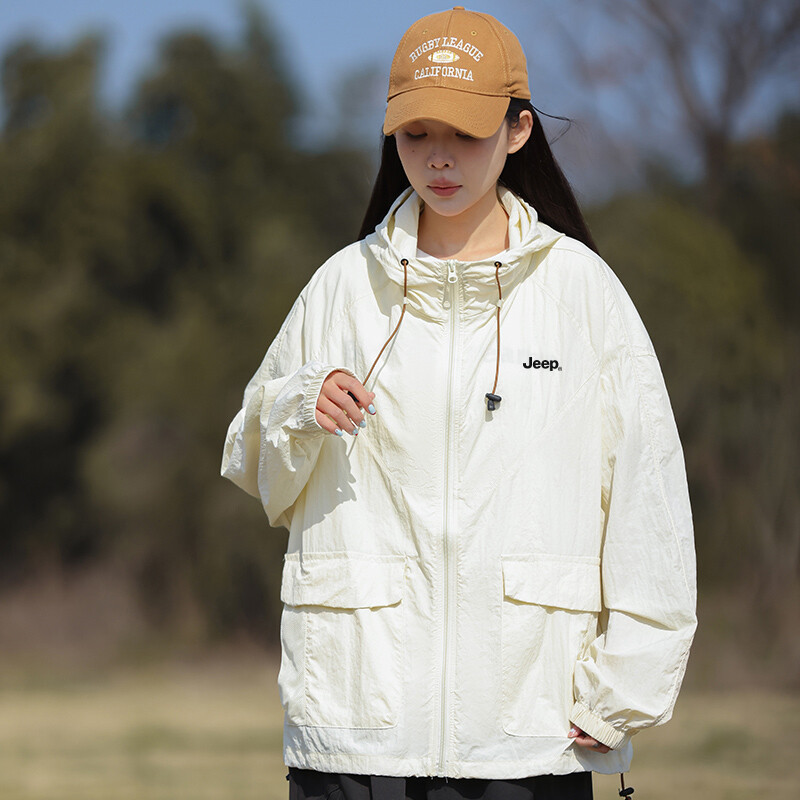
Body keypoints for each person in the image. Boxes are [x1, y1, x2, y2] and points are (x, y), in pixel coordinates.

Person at [221, 7, 697, 799]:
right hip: (353, 735)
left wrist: (624, 691)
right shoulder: (342, 287)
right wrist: (300, 406)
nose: (438, 158)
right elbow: (253, 465)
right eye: (416, 134)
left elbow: (649, 500)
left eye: (465, 134)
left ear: (517, 130)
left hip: (530, 740)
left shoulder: (582, 293)